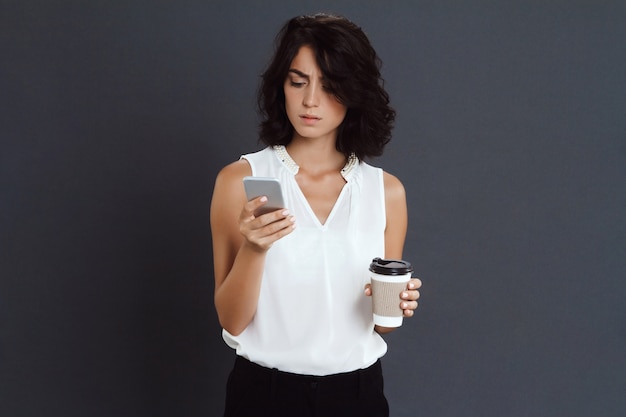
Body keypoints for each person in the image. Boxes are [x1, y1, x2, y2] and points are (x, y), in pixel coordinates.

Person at [210, 13, 422, 417]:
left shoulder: (386, 191)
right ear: (281, 87)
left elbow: (383, 326)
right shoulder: (242, 180)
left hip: (357, 395)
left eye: (330, 86)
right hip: (264, 395)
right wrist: (255, 250)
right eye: (298, 81)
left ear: (354, 93)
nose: (311, 101)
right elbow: (232, 321)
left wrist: (398, 302)